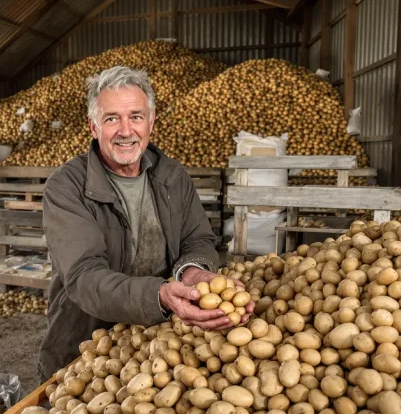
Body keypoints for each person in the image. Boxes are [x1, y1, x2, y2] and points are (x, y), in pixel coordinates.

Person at [37, 66, 255, 380]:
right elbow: (84, 276)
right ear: (93, 126)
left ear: (151, 122)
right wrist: (160, 296)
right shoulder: (67, 186)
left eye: (136, 116)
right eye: (112, 118)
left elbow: (197, 240)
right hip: (84, 350)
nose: (126, 130)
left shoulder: (173, 177)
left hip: (159, 348)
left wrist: (192, 272)